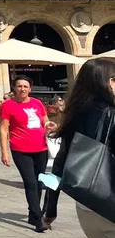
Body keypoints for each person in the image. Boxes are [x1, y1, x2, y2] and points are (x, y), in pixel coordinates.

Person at [50, 57, 115, 238]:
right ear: (107, 81)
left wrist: (48, 210)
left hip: (86, 205)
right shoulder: (113, 114)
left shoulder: (77, 112)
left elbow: (58, 164)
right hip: (111, 205)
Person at [0, 75, 50, 231]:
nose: (22, 89)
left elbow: (44, 120)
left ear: (30, 89)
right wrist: (4, 152)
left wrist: (49, 125)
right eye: (19, 86)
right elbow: (3, 129)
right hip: (20, 149)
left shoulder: (37, 103)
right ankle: (38, 217)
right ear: (14, 88)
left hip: (41, 148)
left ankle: (32, 215)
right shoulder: (8, 105)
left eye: (25, 86)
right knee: (30, 182)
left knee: (39, 182)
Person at [43, 96, 65, 230]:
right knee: (54, 180)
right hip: (70, 148)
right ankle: (49, 213)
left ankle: (49, 214)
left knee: (54, 180)